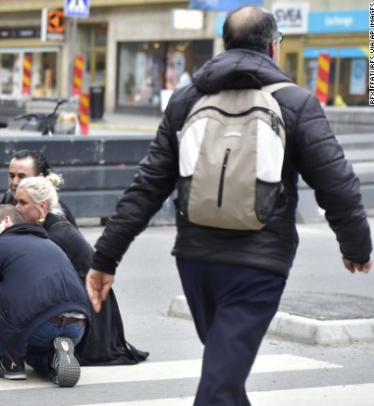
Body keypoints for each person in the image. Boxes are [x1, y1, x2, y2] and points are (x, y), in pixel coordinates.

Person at [86, 6, 372, 406]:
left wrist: (105, 257)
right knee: (222, 385)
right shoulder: (296, 103)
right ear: (274, 46)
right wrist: (357, 246)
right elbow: (337, 183)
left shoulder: (186, 99)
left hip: (195, 262)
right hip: (259, 264)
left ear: (225, 45)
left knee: (223, 378)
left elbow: (148, 185)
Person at [15, 175, 149, 366]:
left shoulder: (54, 235)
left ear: (42, 207)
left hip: (88, 313)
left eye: (22, 203)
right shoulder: (49, 227)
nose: (17, 208)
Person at [0, 205, 89, 387]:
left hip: (40, 328)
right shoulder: (50, 244)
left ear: (7, 222)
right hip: (78, 327)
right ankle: (55, 359)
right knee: (34, 358)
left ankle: (10, 362)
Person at [0, 149, 77, 286]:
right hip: (23, 261)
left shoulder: (54, 212)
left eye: (22, 176)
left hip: (54, 277)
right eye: (11, 176)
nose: (15, 182)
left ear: (39, 178)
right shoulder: (10, 196)